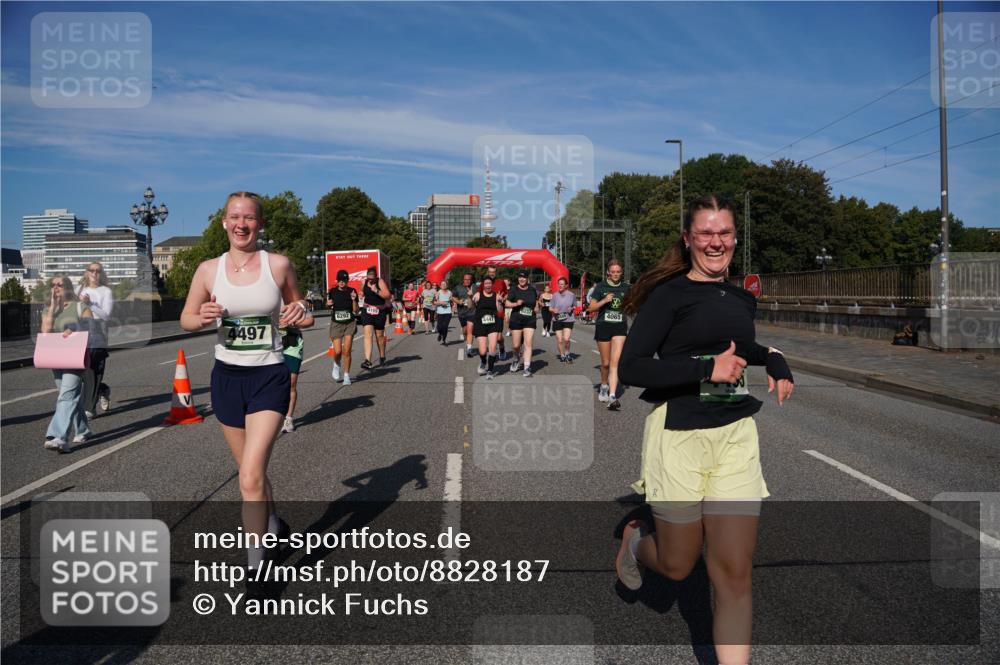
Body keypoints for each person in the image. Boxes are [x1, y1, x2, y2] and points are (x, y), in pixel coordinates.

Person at [615, 196, 794, 665]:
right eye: (706, 233)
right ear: (689, 239)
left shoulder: (740, 297)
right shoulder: (668, 296)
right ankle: (635, 542)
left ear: (736, 239)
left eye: (724, 233)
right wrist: (704, 368)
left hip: (735, 435)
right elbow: (631, 367)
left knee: (734, 574)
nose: (716, 242)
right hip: (679, 435)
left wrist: (773, 358)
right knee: (677, 563)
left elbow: (741, 347)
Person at [180, 191, 311, 595]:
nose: (242, 224)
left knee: (251, 475)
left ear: (260, 223)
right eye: (234, 217)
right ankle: (274, 525)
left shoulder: (279, 264)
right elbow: (185, 317)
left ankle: (258, 569)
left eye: (249, 218)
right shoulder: (207, 270)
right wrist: (198, 318)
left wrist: (300, 313)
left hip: (268, 377)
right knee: (250, 476)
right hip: (226, 379)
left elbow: (301, 308)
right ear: (223, 222)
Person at [41, 275, 94, 453]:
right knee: (70, 397)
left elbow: (92, 327)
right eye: (53, 285)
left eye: (60, 285)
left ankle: (57, 436)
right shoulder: (48, 309)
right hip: (55, 357)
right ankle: (83, 429)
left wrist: (75, 329)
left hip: (75, 356)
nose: (56, 287)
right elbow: (45, 332)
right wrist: (53, 309)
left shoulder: (80, 307)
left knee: (66, 396)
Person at [588, 260, 630, 410]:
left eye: (618, 272)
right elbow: (590, 308)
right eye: (613, 272)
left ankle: (612, 396)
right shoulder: (601, 287)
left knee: (615, 362)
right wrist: (605, 300)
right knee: (605, 363)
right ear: (608, 272)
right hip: (603, 327)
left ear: (621, 272)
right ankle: (604, 385)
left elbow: (632, 304)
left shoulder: (626, 287)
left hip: (620, 327)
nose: (616, 274)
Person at [77, 261, 113, 418]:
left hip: (98, 330)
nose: (94, 273)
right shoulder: (78, 289)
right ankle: (102, 389)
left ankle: (89, 408)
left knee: (94, 368)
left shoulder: (106, 291)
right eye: (91, 270)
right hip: (80, 330)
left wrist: (90, 304)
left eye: (98, 271)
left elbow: (106, 315)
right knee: (81, 370)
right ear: (86, 272)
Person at [279, 302, 315, 433]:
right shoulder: (263, 294)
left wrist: (292, 323)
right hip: (270, 344)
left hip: (292, 344)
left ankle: (288, 418)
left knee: (291, 383)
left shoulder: (293, 298)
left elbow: (310, 320)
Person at [327, 269, 359, 385]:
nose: (342, 282)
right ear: (337, 280)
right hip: (336, 323)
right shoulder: (332, 291)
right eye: (340, 280)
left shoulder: (352, 291)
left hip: (349, 323)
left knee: (347, 350)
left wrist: (354, 300)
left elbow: (356, 311)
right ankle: (336, 364)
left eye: (344, 280)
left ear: (347, 281)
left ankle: (346, 375)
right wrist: (328, 305)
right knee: (338, 351)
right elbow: (329, 306)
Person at [505, 271, 538, 377]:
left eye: (524, 277)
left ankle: (527, 368)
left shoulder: (532, 289)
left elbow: (535, 301)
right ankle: (516, 359)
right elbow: (507, 303)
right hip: (516, 320)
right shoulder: (514, 289)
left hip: (530, 320)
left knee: (528, 344)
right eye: (520, 277)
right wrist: (515, 303)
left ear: (527, 279)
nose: (522, 279)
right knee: (516, 346)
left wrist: (537, 307)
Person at [358, 266, 391, 370]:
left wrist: (376, 290)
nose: (370, 280)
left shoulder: (380, 282)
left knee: (379, 336)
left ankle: (382, 357)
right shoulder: (364, 282)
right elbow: (362, 291)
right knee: (368, 334)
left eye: (372, 278)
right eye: (369, 278)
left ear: (376, 277)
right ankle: (368, 360)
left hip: (379, 311)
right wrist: (361, 294)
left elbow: (387, 295)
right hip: (367, 310)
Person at [471, 275, 503, 378]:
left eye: (489, 283)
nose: (488, 285)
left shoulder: (496, 296)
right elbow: (470, 307)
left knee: (493, 347)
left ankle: (490, 370)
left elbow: (500, 311)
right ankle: (483, 362)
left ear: (492, 285)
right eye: (486, 283)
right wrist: (471, 299)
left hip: (493, 324)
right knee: (483, 351)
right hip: (480, 324)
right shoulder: (478, 295)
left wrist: (500, 302)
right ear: (483, 285)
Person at [479, 267, 509, 359]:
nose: (492, 273)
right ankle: (492, 354)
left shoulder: (501, 282)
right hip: (486, 313)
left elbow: (506, 293)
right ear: (488, 272)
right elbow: (479, 295)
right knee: (490, 336)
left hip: (498, 313)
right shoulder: (484, 283)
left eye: (493, 272)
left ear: (496, 272)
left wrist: (503, 299)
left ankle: (502, 347)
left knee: (499, 338)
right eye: (490, 272)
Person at [549, 277, 577, 362]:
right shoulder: (555, 295)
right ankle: (562, 355)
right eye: (559, 284)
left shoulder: (571, 295)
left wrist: (571, 308)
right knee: (560, 339)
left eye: (562, 284)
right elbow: (550, 308)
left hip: (568, 319)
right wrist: (553, 310)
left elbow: (575, 305)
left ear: (566, 285)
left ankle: (567, 353)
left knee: (567, 339)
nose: (560, 286)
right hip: (557, 319)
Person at [452, 272, 476, 357]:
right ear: (463, 279)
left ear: (471, 280)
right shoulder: (458, 287)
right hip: (462, 312)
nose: (467, 281)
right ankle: (467, 342)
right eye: (466, 279)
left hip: (472, 312)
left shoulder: (475, 287)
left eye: (469, 279)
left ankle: (469, 347)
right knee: (465, 330)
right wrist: (459, 302)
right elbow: (453, 297)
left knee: (470, 330)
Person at [433, 280, 453, 344]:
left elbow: (452, 301)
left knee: (445, 326)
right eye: (442, 284)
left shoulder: (450, 292)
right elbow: (433, 302)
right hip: (440, 312)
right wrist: (441, 302)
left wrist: (453, 305)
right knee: (439, 327)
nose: (443, 285)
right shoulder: (438, 293)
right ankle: (440, 334)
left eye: (445, 284)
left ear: (447, 285)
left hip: (448, 312)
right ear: (440, 286)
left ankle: (444, 339)